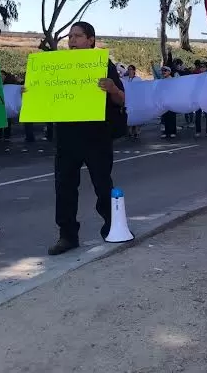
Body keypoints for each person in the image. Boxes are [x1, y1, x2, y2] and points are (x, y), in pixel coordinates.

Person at [48, 21, 126, 256]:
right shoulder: (56, 66)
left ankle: (113, 228)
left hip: (96, 136)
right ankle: (67, 235)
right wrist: (31, 93)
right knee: (64, 187)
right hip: (66, 136)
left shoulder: (103, 64)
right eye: (69, 37)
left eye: (77, 36)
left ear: (91, 40)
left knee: (102, 184)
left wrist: (112, 88)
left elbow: (121, 99)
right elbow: (47, 95)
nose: (72, 41)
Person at [124, 65, 141, 140]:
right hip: (128, 100)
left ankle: (136, 132)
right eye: (128, 69)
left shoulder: (138, 79)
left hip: (136, 100)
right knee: (129, 114)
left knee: (136, 115)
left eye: (131, 69)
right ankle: (129, 132)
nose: (129, 70)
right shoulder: (125, 79)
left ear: (134, 70)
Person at [159, 66, 177, 138]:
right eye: (163, 71)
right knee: (165, 117)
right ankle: (166, 132)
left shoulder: (172, 80)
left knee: (171, 116)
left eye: (165, 70)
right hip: (164, 101)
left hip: (171, 100)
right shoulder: (161, 80)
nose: (164, 72)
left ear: (169, 72)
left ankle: (173, 131)